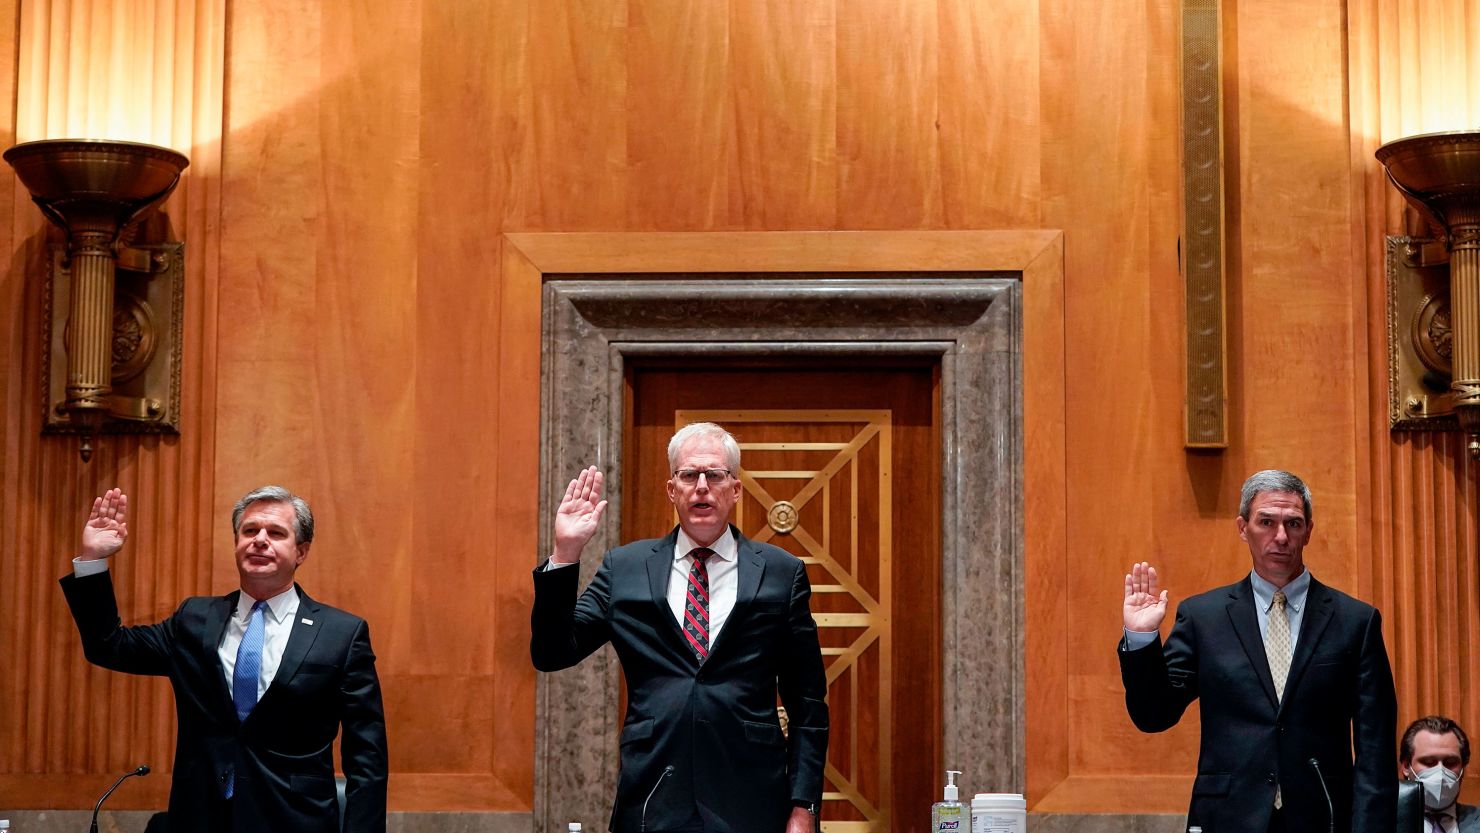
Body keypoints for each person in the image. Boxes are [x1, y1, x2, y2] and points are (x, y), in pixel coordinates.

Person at [531, 422, 829, 833]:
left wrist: (804, 806)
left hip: (752, 798)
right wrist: (566, 553)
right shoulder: (626, 568)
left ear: (735, 489)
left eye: (715, 475)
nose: (702, 486)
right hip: (654, 794)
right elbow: (551, 653)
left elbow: (808, 705)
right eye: (689, 475)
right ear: (672, 489)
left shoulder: (781, 572)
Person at [60, 486, 388, 833]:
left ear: (301, 552)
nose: (260, 540)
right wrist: (94, 561)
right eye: (249, 531)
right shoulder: (194, 619)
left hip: (295, 819)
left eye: (276, 533)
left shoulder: (340, 633)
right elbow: (108, 645)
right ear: (236, 542)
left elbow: (367, 757)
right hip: (201, 816)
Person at [1118, 469, 1397, 833]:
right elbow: (1153, 715)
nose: (1280, 537)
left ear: (1308, 530)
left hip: (1323, 817)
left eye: (1293, 524)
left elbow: (1375, 749)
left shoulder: (1355, 622)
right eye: (1266, 522)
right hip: (1229, 817)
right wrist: (1142, 640)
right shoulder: (1205, 617)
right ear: (1243, 527)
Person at [1400, 715, 1478, 832]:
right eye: (1428, 762)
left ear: (1463, 767)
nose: (1440, 772)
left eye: (1450, 762)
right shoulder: (1379, 821)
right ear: (1406, 766)